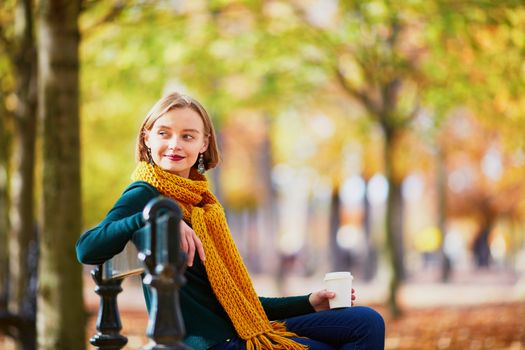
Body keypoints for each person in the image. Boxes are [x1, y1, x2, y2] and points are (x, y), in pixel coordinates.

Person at [76, 92, 385, 350]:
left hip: (236, 329)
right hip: (210, 343)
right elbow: (86, 249)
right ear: (146, 138)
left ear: (204, 143)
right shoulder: (145, 193)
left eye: (188, 136)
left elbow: (238, 302)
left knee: (367, 322)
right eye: (163, 133)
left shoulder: (204, 205)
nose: (175, 144)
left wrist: (309, 301)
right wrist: (157, 219)